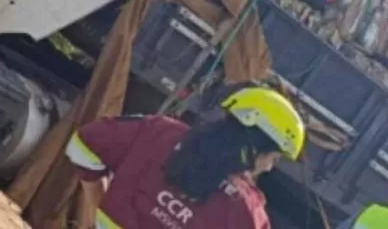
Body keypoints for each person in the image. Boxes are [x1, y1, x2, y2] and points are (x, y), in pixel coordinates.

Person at [65, 85, 306, 228]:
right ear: (254, 145)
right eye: (274, 156)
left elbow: (83, 144)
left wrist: (101, 194)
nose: (271, 167)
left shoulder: (160, 132)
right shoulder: (245, 208)